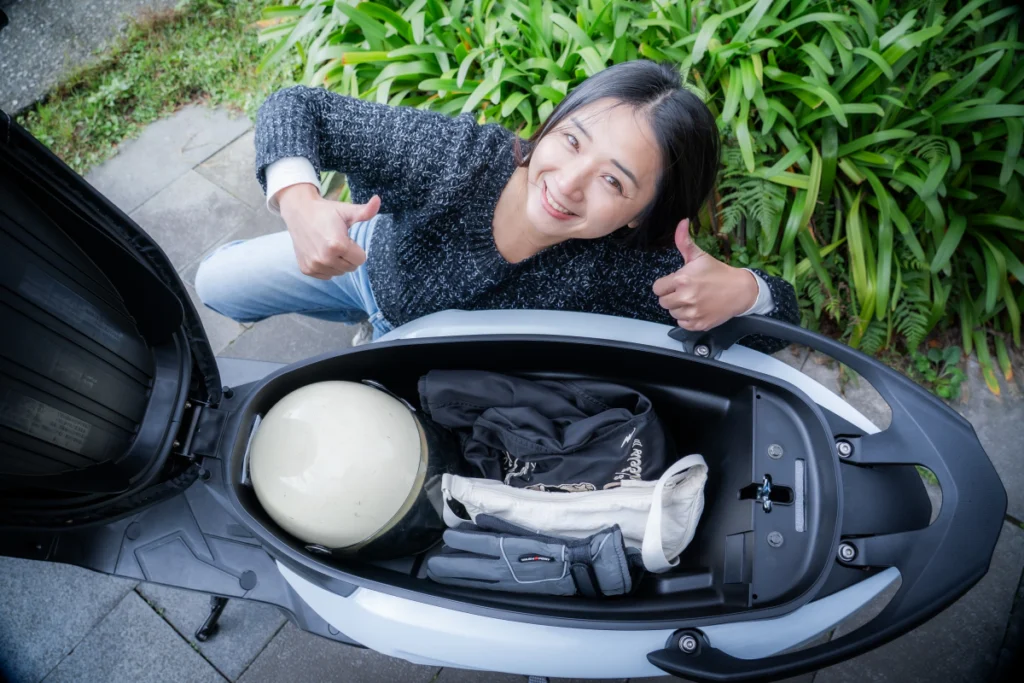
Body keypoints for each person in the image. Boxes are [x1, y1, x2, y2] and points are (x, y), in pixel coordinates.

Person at [195, 59, 798, 351]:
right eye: (571, 141)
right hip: (369, 270)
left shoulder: (625, 269)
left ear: (642, 213)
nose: (568, 184)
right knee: (216, 282)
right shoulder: (456, 160)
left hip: (443, 366)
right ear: (552, 124)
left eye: (614, 182)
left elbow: (775, 331)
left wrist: (747, 291)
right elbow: (299, 107)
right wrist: (300, 202)